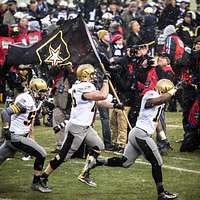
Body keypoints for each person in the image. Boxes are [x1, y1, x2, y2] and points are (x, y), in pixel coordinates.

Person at [81, 79, 179, 200]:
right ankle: (161, 193)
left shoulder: (160, 100)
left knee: (125, 162)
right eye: (168, 92)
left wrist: (163, 137)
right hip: (140, 134)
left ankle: (96, 162)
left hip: (137, 134)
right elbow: (158, 100)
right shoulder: (151, 94)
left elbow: (156, 120)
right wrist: (173, 91)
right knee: (157, 162)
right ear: (164, 90)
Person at [40, 64, 123, 190]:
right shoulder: (84, 87)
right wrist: (105, 81)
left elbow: (98, 101)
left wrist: (114, 105)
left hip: (85, 126)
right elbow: (102, 95)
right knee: (63, 156)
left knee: (98, 146)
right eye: (92, 74)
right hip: (77, 128)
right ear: (85, 74)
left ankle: (85, 173)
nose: (94, 76)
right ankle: (43, 177)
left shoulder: (81, 86)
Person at [0, 78, 51, 193]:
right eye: (41, 91)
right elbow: (6, 112)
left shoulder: (34, 100)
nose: (44, 94)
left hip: (18, 136)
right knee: (41, 154)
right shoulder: (25, 101)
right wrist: (6, 130)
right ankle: (36, 183)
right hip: (16, 137)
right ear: (33, 91)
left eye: (45, 91)